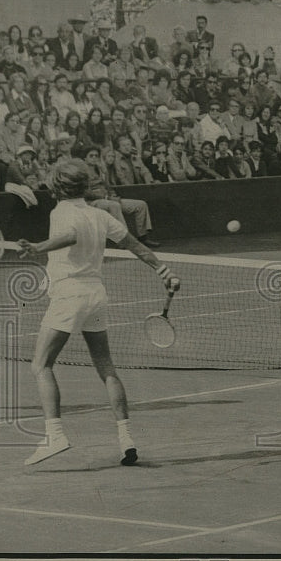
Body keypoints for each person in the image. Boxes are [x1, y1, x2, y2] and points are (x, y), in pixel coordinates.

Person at [17, 159, 181, 465]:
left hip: (70, 294)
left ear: (57, 187)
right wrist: (163, 270)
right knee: (106, 367)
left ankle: (54, 434)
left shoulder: (60, 212)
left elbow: (69, 237)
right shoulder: (100, 215)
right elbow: (134, 244)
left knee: (41, 365)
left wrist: (39, 247)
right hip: (95, 295)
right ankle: (126, 438)